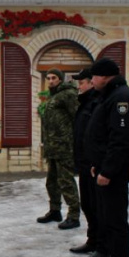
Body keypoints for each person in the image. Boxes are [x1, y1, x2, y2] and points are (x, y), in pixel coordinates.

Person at [84, 58, 129, 257]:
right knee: (108, 219)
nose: (91, 81)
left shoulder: (121, 99)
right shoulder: (111, 95)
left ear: (105, 76)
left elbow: (121, 139)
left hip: (115, 173)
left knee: (116, 221)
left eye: (93, 77)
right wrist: (98, 165)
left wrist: (108, 170)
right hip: (105, 169)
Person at [68, 68, 107, 257]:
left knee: (96, 207)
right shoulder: (85, 103)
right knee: (88, 206)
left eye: (81, 82)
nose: (79, 86)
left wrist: (95, 162)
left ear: (92, 83)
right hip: (84, 163)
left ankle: (102, 247)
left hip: (92, 165)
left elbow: (98, 137)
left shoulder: (96, 103)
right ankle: (92, 241)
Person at [37, 69, 80, 230]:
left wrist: (73, 141)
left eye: (54, 78)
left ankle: (74, 215)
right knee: (52, 182)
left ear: (61, 79)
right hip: (53, 147)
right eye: (48, 78)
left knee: (66, 181)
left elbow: (77, 117)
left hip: (64, 146)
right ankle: (55, 211)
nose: (50, 81)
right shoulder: (54, 96)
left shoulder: (68, 94)